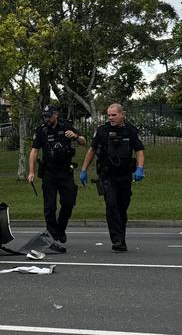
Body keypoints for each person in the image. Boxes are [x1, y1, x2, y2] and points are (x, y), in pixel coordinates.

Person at [79, 103, 145, 252]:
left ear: (122, 114)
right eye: (108, 115)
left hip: (125, 176)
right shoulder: (102, 131)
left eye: (113, 115)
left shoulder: (130, 131)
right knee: (111, 205)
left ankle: (121, 237)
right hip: (107, 176)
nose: (110, 118)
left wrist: (140, 168)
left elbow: (139, 150)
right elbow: (92, 150)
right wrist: (84, 170)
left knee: (122, 208)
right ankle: (117, 239)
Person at [28, 105, 86, 251]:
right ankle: (53, 233)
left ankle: (61, 228)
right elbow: (34, 151)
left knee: (68, 202)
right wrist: (31, 172)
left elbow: (83, 141)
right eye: (44, 116)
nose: (46, 119)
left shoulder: (66, 125)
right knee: (49, 206)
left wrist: (76, 137)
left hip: (65, 171)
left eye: (48, 116)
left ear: (56, 115)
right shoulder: (42, 130)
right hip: (49, 172)